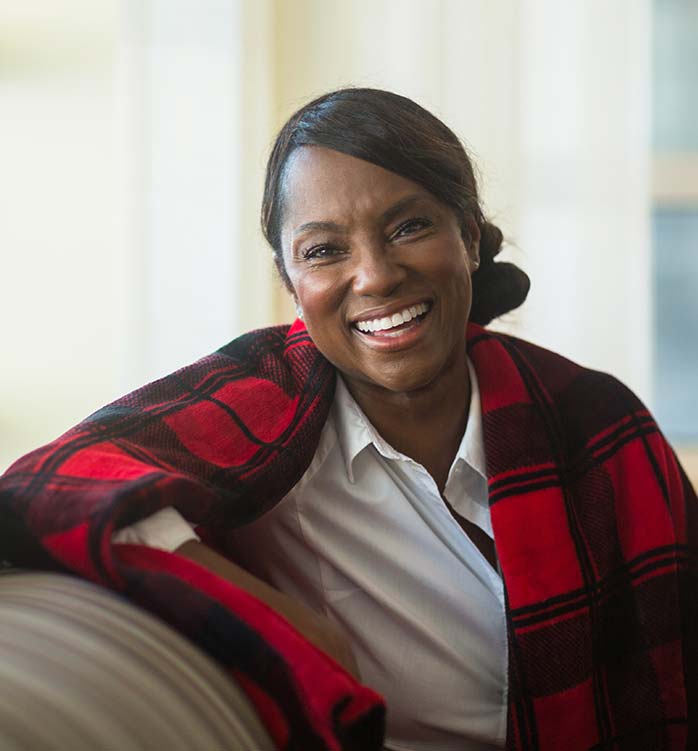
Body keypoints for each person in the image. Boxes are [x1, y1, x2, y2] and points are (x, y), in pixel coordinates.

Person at [0, 88, 695, 751]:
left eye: (409, 227)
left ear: (472, 238)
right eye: (325, 250)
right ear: (290, 283)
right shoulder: (260, 406)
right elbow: (46, 485)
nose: (375, 276)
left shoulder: (596, 421)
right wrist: (282, 622)